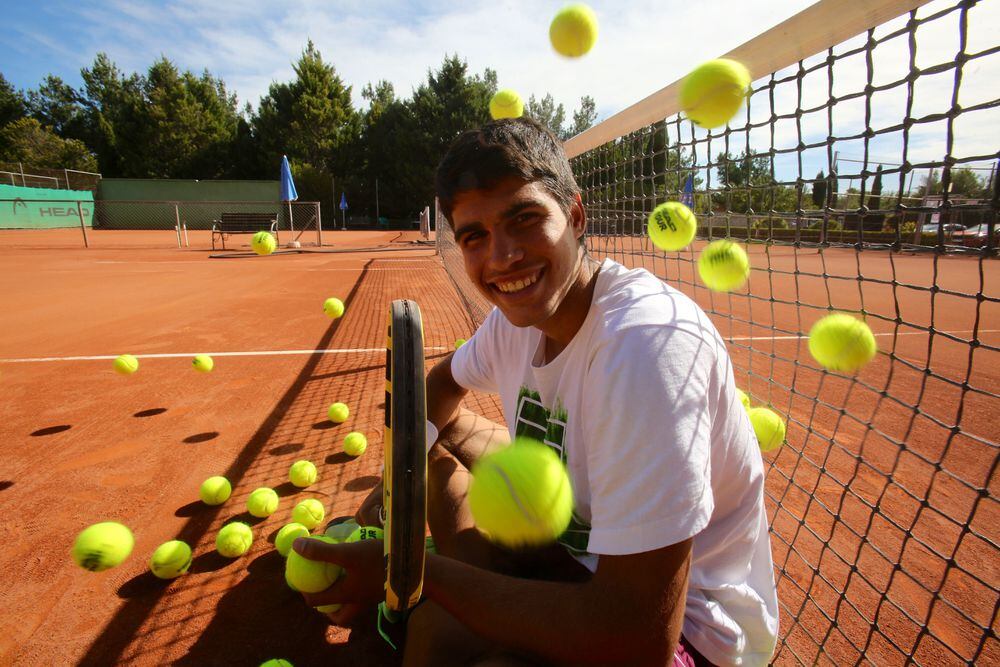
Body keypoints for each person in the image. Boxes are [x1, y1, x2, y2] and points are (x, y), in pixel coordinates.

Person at [291, 117, 779, 666]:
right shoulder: (513, 322)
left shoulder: (643, 349)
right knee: (430, 473)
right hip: (578, 554)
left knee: (456, 641)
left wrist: (406, 571)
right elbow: (440, 385)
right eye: (474, 236)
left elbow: (638, 641)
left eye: (523, 219)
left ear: (575, 215)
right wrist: (392, 495)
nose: (502, 257)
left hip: (688, 633)